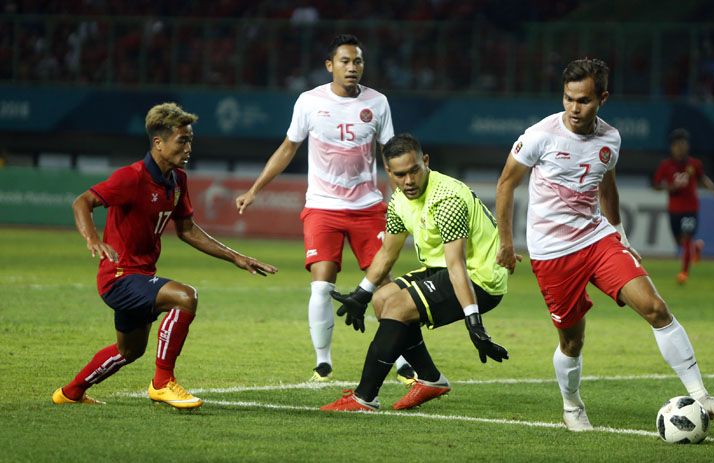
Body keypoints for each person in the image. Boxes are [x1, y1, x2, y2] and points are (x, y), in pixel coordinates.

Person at [494, 58, 714, 431]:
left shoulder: (611, 139)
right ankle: (571, 403)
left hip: (597, 240)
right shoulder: (539, 136)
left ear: (603, 98)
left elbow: (606, 185)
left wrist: (619, 233)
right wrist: (506, 243)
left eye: (584, 101)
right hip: (552, 254)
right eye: (569, 99)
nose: (575, 109)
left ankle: (701, 393)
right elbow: (506, 184)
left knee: (656, 308)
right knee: (572, 342)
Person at [52, 102, 277, 409]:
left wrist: (235, 256)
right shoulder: (131, 178)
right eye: (182, 140)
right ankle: (162, 383)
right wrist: (92, 239)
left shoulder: (177, 181)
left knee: (129, 351)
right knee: (186, 297)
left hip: (141, 275)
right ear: (158, 143)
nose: (189, 148)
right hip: (119, 277)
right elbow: (83, 201)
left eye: (190, 141)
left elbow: (187, 230)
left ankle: (70, 392)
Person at [235, 34, 414, 383]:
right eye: (345, 61)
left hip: (367, 207)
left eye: (358, 62)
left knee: (383, 283)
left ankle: (403, 360)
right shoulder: (308, 102)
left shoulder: (378, 103)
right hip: (323, 207)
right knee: (321, 285)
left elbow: (390, 155)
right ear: (330, 65)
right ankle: (323, 361)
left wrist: (406, 198)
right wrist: (256, 188)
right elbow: (288, 147)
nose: (352, 68)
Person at [320, 133, 509, 412]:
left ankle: (364, 398)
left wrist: (474, 321)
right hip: (443, 269)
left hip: (479, 279)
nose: (408, 181)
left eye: (413, 171)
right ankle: (430, 379)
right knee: (382, 298)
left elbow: (456, 264)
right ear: (388, 171)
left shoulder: (446, 198)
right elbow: (387, 252)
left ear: (426, 161)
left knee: (397, 306)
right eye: (400, 175)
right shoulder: (398, 199)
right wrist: (361, 294)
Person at [652, 128, 714, 284]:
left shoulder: (694, 164)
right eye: (677, 145)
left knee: (686, 239)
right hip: (673, 209)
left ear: (687, 146)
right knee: (680, 243)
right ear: (672, 147)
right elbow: (656, 184)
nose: (680, 148)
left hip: (690, 208)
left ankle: (684, 273)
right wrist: (669, 187)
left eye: (683, 144)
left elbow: (703, 178)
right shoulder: (665, 166)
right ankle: (697, 247)